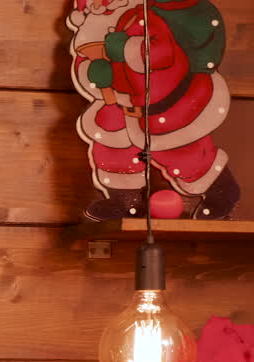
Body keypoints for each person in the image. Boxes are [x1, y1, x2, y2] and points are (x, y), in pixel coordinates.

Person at [68, 0, 239, 219]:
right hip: (119, 106)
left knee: (182, 152)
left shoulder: (146, 19)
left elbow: (163, 52)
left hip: (160, 103)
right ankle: (125, 203)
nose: (100, 7)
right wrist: (94, 72)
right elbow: (85, 60)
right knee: (113, 150)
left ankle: (222, 191)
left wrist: (127, 48)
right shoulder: (102, 27)